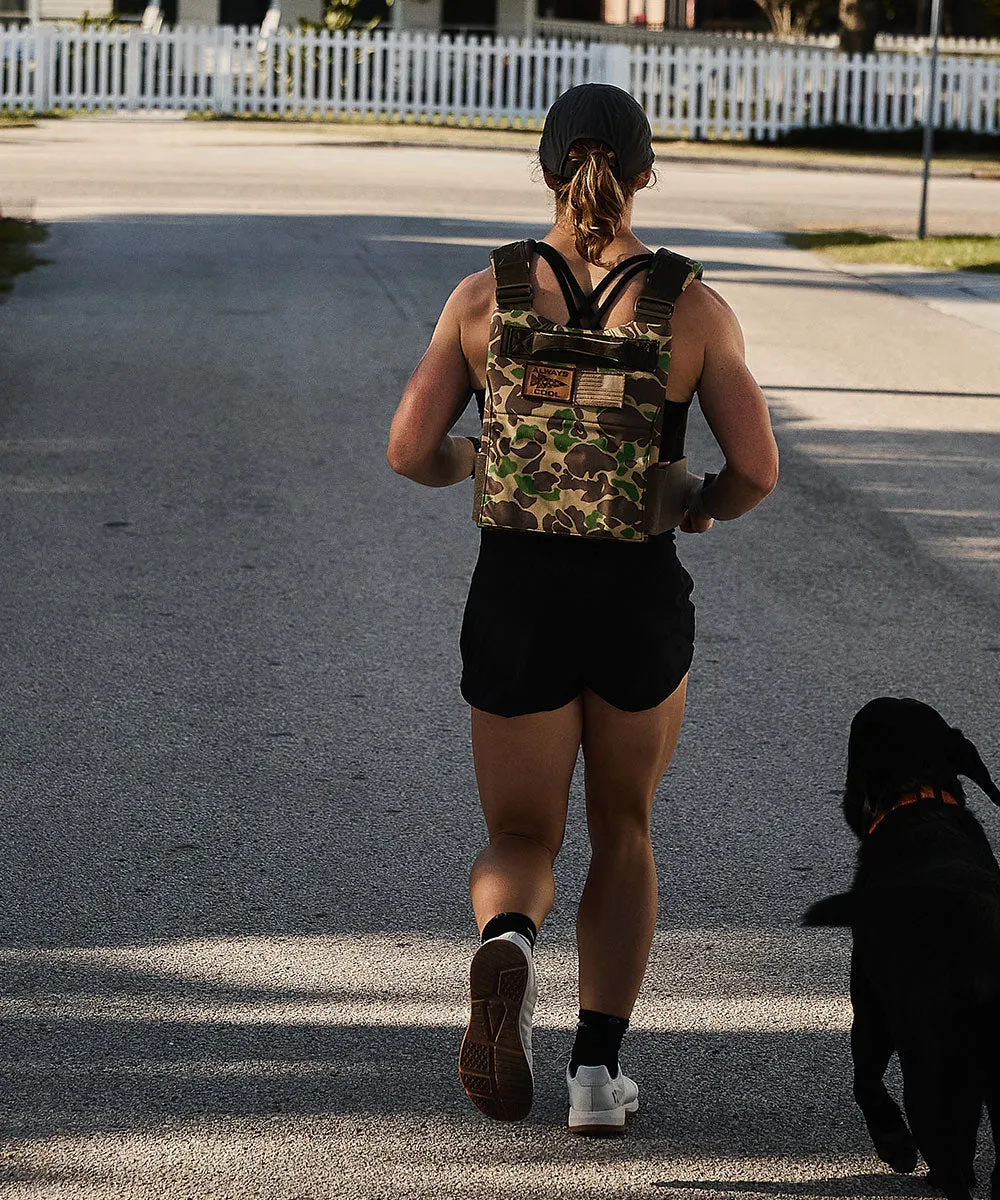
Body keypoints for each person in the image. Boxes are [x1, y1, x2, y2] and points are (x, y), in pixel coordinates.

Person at [386, 83, 778, 1134]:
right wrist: (696, 503)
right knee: (624, 828)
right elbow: (758, 470)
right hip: (635, 597)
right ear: (644, 172)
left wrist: (480, 459)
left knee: (520, 832)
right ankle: (597, 1080)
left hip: (517, 591)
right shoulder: (691, 306)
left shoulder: (484, 297)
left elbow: (408, 449)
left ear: (549, 169)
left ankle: (508, 940)